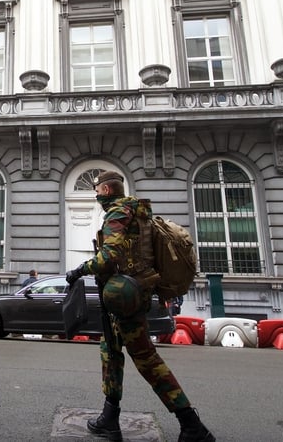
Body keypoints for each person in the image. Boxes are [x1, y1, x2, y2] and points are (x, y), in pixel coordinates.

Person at [65, 171, 214, 442]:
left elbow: (108, 258)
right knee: (110, 350)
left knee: (146, 359)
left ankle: (191, 424)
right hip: (133, 293)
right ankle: (109, 418)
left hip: (126, 297)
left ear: (107, 190)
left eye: (97, 189)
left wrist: (79, 269)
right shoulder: (138, 212)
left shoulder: (117, 214)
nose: (96, 193)